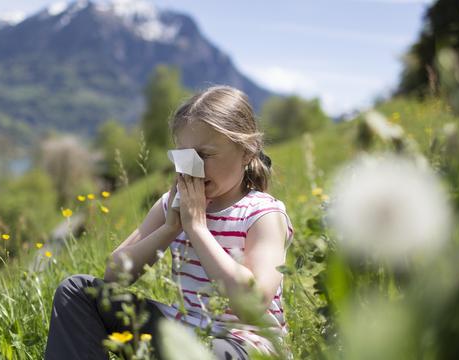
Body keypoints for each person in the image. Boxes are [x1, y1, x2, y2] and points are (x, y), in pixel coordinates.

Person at [45, 85, 294, 360]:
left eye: (205, 155)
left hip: (246, 346)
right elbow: (114, 275)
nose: (192, 167)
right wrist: (170, 227)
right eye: (184, 156)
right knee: (77, 291)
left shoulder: (262, 213)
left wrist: (197, 229)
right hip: (186, 331)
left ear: (247, 152)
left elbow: (254, 303)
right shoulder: (171, 206)